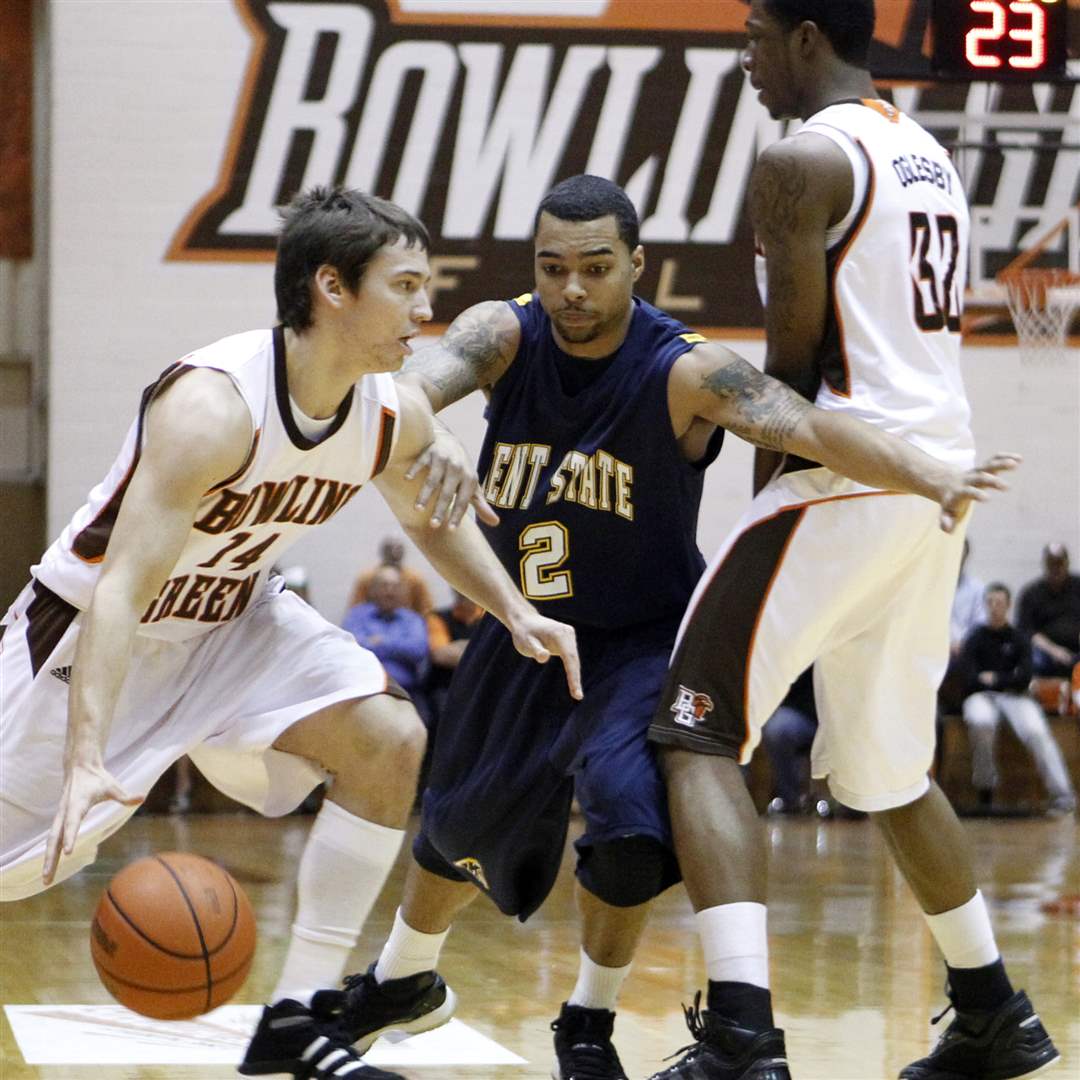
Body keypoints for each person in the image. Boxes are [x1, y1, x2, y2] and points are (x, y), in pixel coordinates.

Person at [302, 174, 1018, 1080]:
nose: (571, 288)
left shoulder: (684, 368)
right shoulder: (502, 333)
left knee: (632, 844)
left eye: (595, 268)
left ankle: (588, 1020)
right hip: (524, 627)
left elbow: (809, 427)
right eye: (552, 267)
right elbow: (406, 390)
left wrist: (929, 472)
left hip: (639, 643)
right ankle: (402, 978)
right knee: (457, 829)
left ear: (636, 265)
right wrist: (433, 432)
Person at [0, 187, 581, 1080]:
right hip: (94, 637)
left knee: (389, 738)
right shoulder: (214, 406)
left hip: (234, 620)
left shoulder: (383, 410)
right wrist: (85, 753)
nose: (426, 309)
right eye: (406, 286)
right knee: (13, 870)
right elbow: (119, 591)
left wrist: (514, 607)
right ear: (332, 288)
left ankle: (296, 1020)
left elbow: (428, 517)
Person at [645, 4, 1056, 1080]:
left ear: (806, 38)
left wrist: (765, 496)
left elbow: (788, 366)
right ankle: (993, 1011)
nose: (745, 55)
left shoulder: (800, 161)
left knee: (695, 731)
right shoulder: (924, 151)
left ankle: (741, 1034)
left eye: (755, 32)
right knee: (888, 773)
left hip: (846, 477)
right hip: (934, 485)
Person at [960, 583, 1076, 816]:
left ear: (1008, 605)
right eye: (990, 602)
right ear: (985, 605)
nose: (995, 607)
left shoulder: (1019, 637)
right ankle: (985, 791)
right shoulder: (974, 639)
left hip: (1016, 696)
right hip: (981, 696)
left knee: (1037, 731)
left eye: (999, 602)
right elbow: (969, 678)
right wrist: (1005, 677)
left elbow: (1024, 678)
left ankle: (1063, 796)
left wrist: (994, 678)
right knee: (981, 722)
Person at [342, 564, 431, 704]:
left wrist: (381, 641)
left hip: (407, 693)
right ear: (372, 590)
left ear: (403, 591)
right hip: (366, 692)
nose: (390, 592)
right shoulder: (356, 616)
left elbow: (418, 650)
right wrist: (399, 647)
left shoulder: (413, 619)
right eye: (384, 586)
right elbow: (351, 648)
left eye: (396, 586)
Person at [1017, 542, 1080, 678]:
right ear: (1045, 565)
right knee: (1033, 659)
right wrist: (1054, 650)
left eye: (1059, 564)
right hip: (1046, 651)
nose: (1055, 569)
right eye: (1051, 564)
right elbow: (1026, 630)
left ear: (1067, 564)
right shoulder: (1031, 593)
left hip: (1077, 646)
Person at [760, 668, 817, 816]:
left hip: (841, 716)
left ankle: (852, 804)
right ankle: (791, 801)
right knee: (778, 729)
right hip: (804, 712)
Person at [424, 589, 484, 725]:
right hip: (447, 687)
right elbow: (440, 655)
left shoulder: (490, 619)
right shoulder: (437, 617)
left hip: (481, 685)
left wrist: (459, 646)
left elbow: (496, 654)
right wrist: (479, 649)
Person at [350, 534, 434, 614]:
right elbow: (355, 610)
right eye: (383, 586)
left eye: (398, 549)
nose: (390, 592)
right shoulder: (366, 578)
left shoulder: (415, 580)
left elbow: (427, 611)